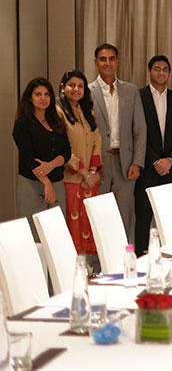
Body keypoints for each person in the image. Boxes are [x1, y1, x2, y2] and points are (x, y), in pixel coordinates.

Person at [89, 44, 147, 242]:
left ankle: (123, 258)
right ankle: (99, 260)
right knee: (99, 218)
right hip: (99, 164)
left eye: (112, 59)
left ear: (117, 62)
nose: (108, 63)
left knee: (123, 218)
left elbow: (140, 130)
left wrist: (137, 162)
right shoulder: (87, 91)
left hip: (125, 163)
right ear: (95, 62)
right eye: (103, 59)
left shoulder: (130, 90)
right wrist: (91, 168)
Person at [134, 55, 172, 254]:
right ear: (149, 72)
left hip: (171, 169)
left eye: (165, 69)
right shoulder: (138, 97)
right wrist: (156, 160)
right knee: (143, 217)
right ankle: (141, 258)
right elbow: (136, 134)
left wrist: (169, 160)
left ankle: (170, 256)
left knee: (168, 220)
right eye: (157, 69)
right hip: (147, 168)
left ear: (170, 73)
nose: (161, 73)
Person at [13, 77, 70, 239]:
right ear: (30, 98)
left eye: (47, 94)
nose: (43, 98)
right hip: (32, 183)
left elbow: (66, 152)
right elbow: (28, 158)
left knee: (56, 233)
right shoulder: (22, 124)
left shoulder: (57, 121)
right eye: (38, 94)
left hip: (57, 182)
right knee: (34, 233)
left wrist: (51, 165)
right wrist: (47, 183)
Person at [58, 70, 102, 255]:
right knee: (72, 229)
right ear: (63, 87)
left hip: (90, 181)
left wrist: (92, 172)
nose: (76, 89)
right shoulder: (58, 112)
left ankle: (88, 268)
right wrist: (84, 173)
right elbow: (62, 148)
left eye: (80, 86)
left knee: (89, 226)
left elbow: (97, 141)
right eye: (72, 85)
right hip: (71, 180)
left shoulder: (87, 111)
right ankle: (73, 268)